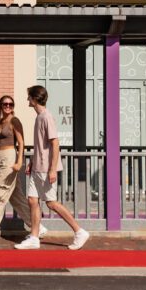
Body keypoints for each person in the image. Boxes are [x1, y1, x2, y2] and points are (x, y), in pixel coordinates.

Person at [14, 85, 90, 251]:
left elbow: (55, 143)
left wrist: (53, 169)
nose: (27, 100)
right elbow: (41, 146)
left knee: (51, 203)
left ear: (34, 98)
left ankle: (79, 231)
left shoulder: (47, 117)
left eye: (29, 97)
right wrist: (33, 161)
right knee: (32, 200)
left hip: (46, 168)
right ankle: (34, 237)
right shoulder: (39, 117)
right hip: (37, 167)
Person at [0, 95, 46, 242]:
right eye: (5, 104)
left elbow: (21, 142)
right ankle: (37, 226)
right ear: (0, 106)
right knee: (16, 197)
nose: (8, 106)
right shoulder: (1, 122)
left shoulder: (14, 121)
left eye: (11, 104)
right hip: (1, 158)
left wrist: (19, 162)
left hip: (10, 159)